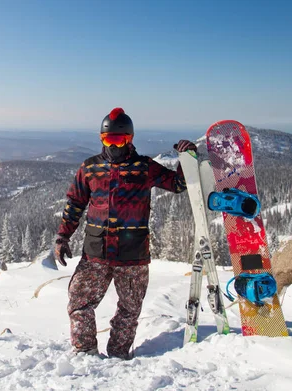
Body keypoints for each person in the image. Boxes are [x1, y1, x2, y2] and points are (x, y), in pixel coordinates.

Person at [54, 107, 196, 359]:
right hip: (95, 252)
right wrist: (63, 236)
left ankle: (119, 356)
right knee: (79, 302)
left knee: (130, 309)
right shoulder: (89, 168)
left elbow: (177, 184)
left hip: (133, 254)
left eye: (120, 139)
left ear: (129, 139)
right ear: (101, 139)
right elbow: (75, 203)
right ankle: (85, 352)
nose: (114, 145)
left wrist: (187, 158)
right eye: (109, 139)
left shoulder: (145, 167)